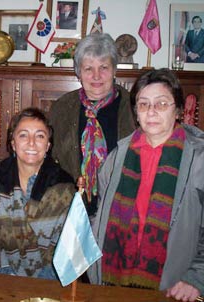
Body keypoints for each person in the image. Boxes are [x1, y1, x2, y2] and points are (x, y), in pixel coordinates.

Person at [88, 69, 204, 302]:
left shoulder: (198, 159)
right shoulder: (117, 157)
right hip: (113, 282)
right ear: (136, 112)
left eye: (161, 104)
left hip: (174, 288)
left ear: (178, 110)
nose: (151, 111)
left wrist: (196, 278)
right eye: (143, 104)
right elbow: (99, 217)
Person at [0, 107, 75, 279]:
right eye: (23, 135)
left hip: (49, 276)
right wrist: (9, 274)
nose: (32, 143)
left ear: (48, 145)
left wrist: (41, 280)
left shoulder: (64, 186)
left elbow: (67, 243)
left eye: (40, 136)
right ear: (13, 143)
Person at [48, 32, 136, 216]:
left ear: (114, 70)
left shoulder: (134, 107)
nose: (96, 76)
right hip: (70, 208)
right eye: (88, 68)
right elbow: (47, 157)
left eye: (104, 67)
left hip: (122, 207)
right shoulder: (61, 108)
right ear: (79, 72)